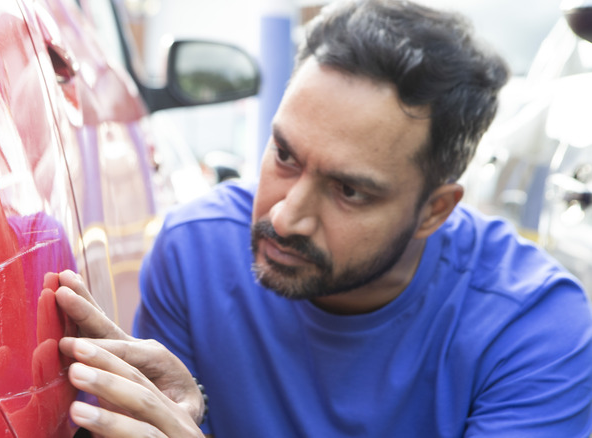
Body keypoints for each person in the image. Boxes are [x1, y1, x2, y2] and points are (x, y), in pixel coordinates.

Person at [52, 0, 592, 436]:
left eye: (349, 191)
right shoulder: (197, 254)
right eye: (285, 155)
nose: (286, 218)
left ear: (434, 210)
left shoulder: (535, 331)